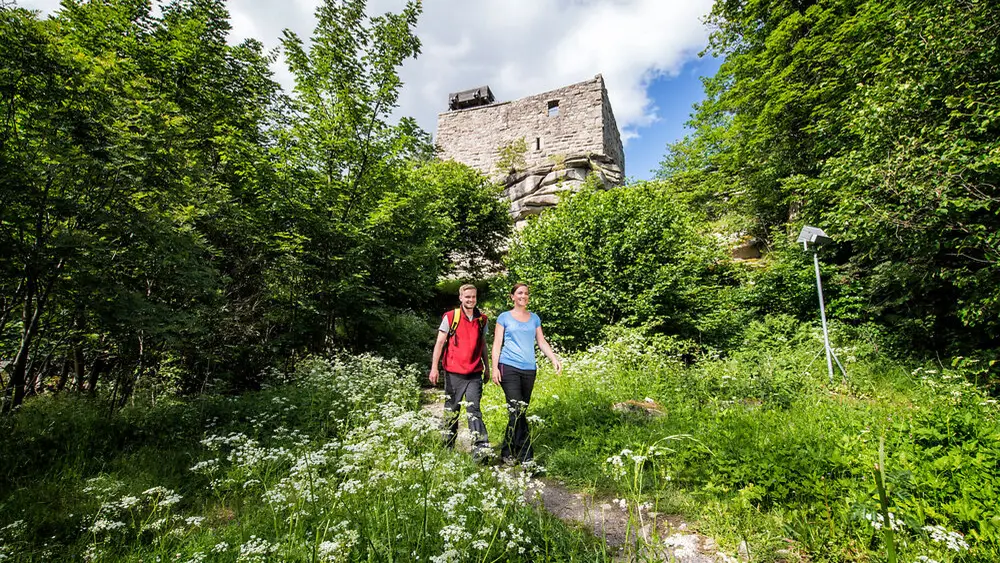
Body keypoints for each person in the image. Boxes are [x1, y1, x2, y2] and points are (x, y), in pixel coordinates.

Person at [491, 283, 562, 465]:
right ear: (512, 296)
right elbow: (497, 344)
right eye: (520, 293)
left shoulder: (534, 318)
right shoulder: (504, 317)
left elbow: (541, 341)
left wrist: (554, 359)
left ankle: (507, 450)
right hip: (508, 366)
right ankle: (526, 456)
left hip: (529, 369)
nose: (523, 296)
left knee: (520, 412)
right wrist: (494, 368)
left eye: (526, 293)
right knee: (516, 409)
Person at [429, 284, 492, 460]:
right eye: (467, 297)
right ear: (461, 298)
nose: (471, 300)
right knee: (452, 410)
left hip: (474, 373)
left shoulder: (482, 320)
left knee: (474, 410)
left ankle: (481, 450)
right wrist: (434, 367)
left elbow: (483, 344)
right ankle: (447, 447)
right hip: (453, 373)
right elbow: (440, 343)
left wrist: (487, 367)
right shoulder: (451, 317)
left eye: (473, 297)